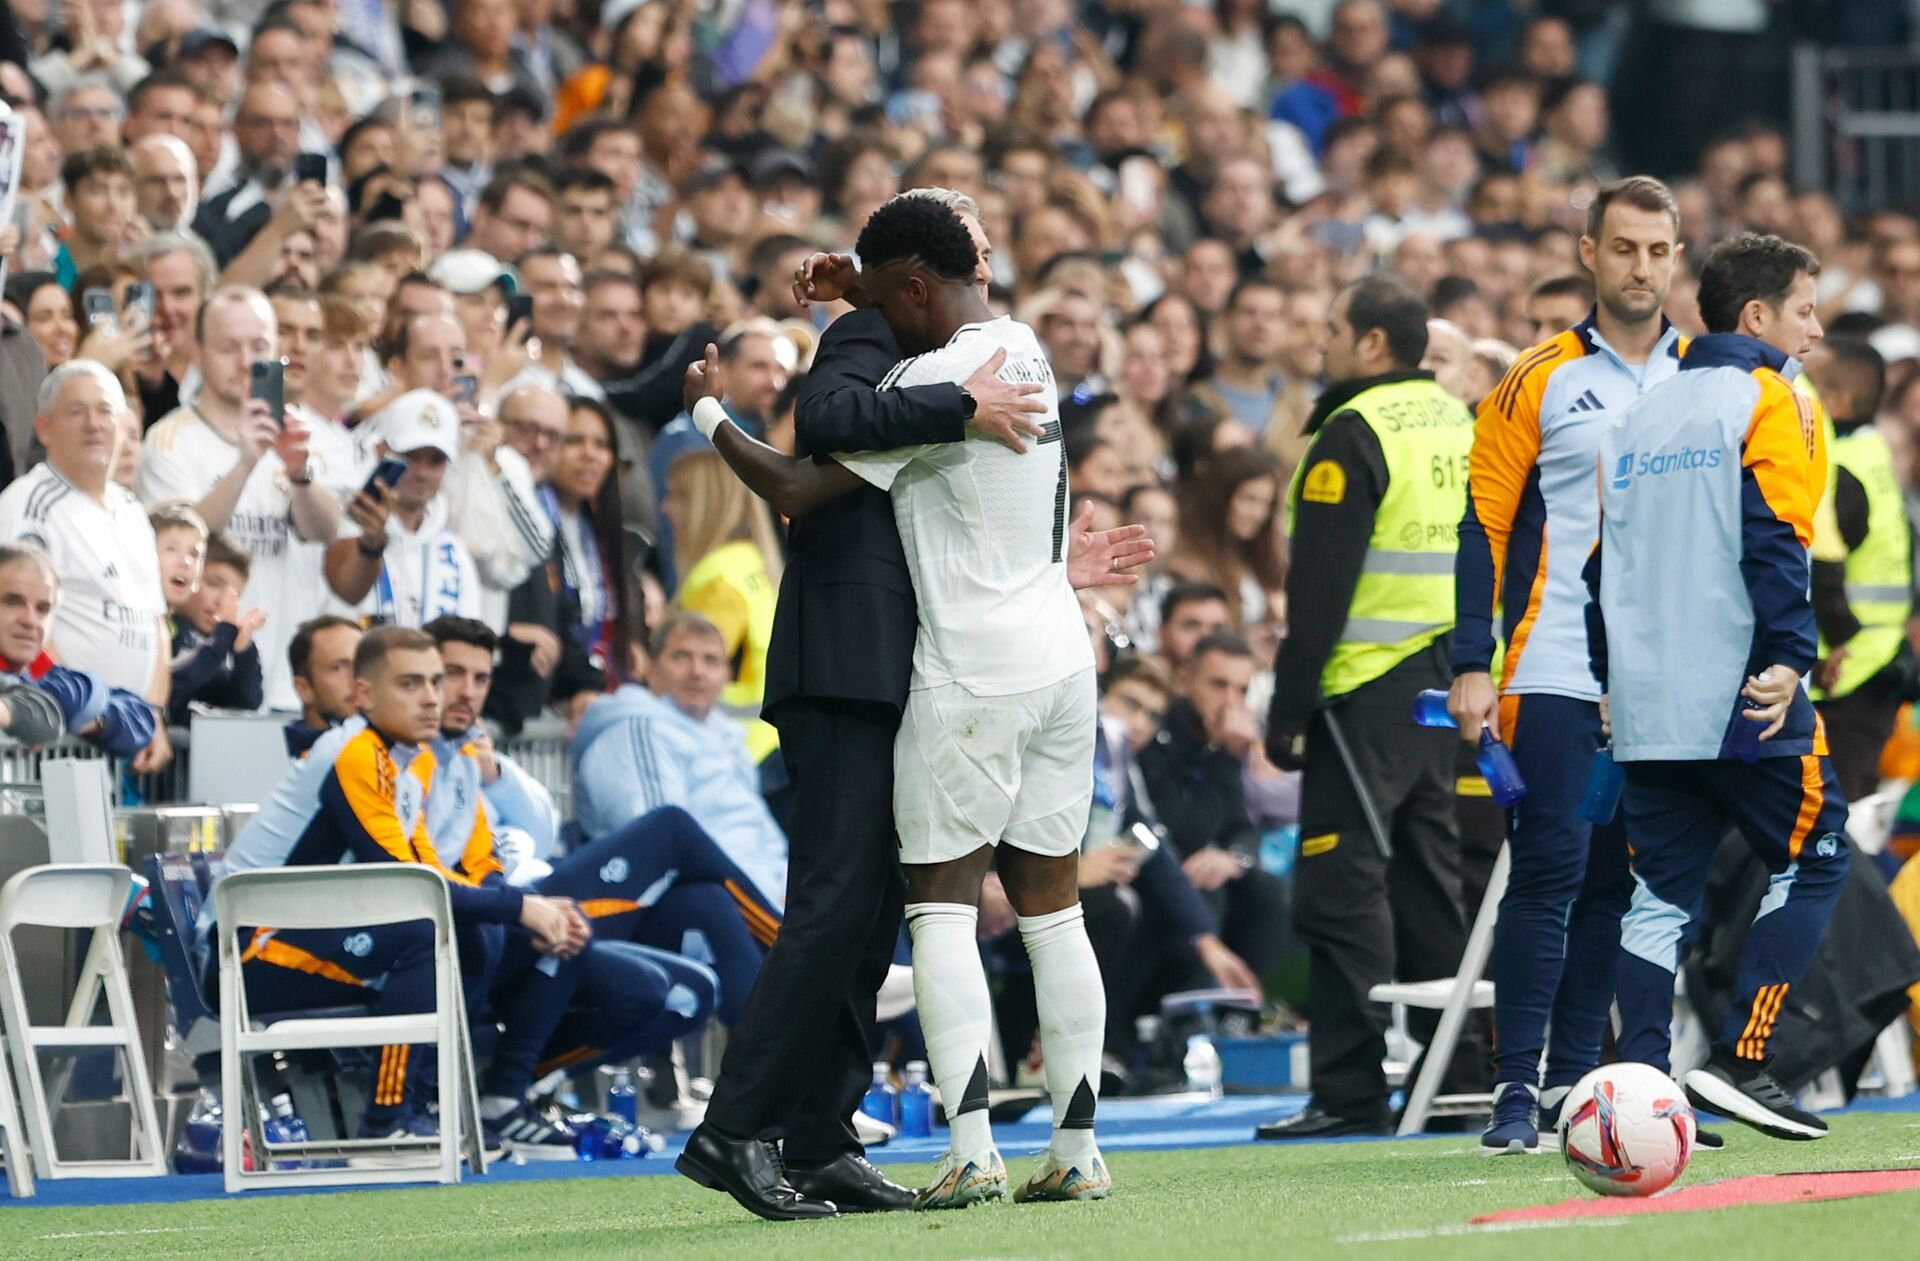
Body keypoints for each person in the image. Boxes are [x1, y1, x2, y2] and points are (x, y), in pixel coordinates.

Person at [686, 192, 1152, 1210]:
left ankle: (973, 1147)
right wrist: (861, 291)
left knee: (936, 910)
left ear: (910, 284)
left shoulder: (933, 372)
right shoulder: (1027, 346)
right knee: (1052, 908)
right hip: (1061, 655)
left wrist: (710, 413)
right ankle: (1075, 1149)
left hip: (971, 664)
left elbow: (811, 465)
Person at [1589, 232, 1851, 1142]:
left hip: (1649, 697)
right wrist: (1793, 655)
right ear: (1758, 316)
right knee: (1817, 853)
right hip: (1746, 690)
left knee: (1658, 897)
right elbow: (1778, 533)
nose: (1815, 332)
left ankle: (1643, 1092)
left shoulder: (1641, 412)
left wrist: (1606, 677)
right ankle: (1746, 1060)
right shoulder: (1769, 396)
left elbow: (1600, 564)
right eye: (1806, 310)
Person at [1447, 176, 1687, 1154]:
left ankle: (1589, 1090)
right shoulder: (1537, 375)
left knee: (1622, 886)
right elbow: (1484, 522)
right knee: (1548, 868)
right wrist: (1472, 658)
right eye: (1624, 247)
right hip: (1552, 664)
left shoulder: (1714, 379)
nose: (1641, 267)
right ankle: (1515, 1091)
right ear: (1589, 251)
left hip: (1671, 676)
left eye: (1658, 250)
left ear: (1676, 257)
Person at [211, 626, 592, 1149]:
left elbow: (433, 873)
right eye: (411, 684)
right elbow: (411, 887)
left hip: (300, 930)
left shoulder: (403, 764)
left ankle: (428, 1104)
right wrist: (522, 906)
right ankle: (387, 1124)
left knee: (467, 927)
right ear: (364, 695)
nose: (434, 698)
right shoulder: (353, 753)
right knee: (423, 931)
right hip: (245, 948)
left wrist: (519, 906)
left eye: (436, 681)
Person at [1256, 275, 1473, 1140]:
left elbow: (1319, 589)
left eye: (1336, 329)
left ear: (1374, 345)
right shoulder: (1457, 420)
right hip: (1444, 680)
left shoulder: (1354, 430)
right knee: (1429, 886)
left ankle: (1348, 1089)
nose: (1325, 344)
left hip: (1362, 685)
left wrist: (1288, 707)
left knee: (1340, 890)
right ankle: (1454, 1075)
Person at [425, 616, 770, 1044]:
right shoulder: (407, 757)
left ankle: (792, 1091)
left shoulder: (469, 752)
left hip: (534, 896)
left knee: (703, 920)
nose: (468, 691)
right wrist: (518, 905)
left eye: (480, 678)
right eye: (452, 674)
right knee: (673, 829)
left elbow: (540, 824)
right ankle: (806, 956)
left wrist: (494, 774)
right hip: (513, 914)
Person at [138, 287, 341, 709]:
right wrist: (246, 462)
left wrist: (300, 472)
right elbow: (178, 543)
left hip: (283, 679)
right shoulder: (169, 440)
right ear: (199, 352)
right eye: (229, 347)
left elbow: (325, 531)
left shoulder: (297, 433)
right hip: (202, 684)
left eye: (259, 347)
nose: (246, 362)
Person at [0, 362, 172, 759]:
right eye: (76, 411)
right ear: (44, 428)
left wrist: (153, 715)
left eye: (105, 411)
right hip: (58, 741)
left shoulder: (132, 510)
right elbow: (18, 626)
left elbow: (155, 623)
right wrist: (79, 709)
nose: (93, 423)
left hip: (125, 734)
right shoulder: (28, 505)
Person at [573, 612, 790, 909]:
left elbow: (762, 834)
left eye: (711, 661)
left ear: (727, 676)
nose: (697, 671)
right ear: (649, 667)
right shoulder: (636, 730)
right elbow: (661, 849)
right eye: (681, 657)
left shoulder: (730, 740)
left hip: (764, 895)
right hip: (707, 907)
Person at [1807, 337, 1912, 801]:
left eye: (1813, 384)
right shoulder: (1874, 457)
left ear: (1839, 401)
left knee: (1835, 816)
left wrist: (1837, 640)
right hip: (1877, 658)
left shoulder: (1843, 470)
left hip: (1846, 667)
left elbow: (1823, 565)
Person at [665, 447, 784, 763]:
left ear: (704, 505)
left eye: (676, 496)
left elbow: (688, 680)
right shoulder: (751, 563)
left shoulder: (718, 581)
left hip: (735, 755)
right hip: (766, 747)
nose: (665, 508)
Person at [322, 390, 481, 625]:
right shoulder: (343, 521)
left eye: (435, 460)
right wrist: (370, 545)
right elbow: (347, 591)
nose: (422, 471)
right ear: (381, 450)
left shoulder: (454, 553)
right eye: (411, 456)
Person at [0, 540, 155, 754]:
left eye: (43, 609)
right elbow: (64, 696)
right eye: (12, 602)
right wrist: (78, 704)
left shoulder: (46, 673)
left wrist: (95, 719)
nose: (30, 620)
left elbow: (142, 717)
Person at [1165, 446, 1286, 636]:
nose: (1259, 514)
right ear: (1222, 496)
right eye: (1249, 499)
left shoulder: (1257, 556)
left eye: (1266, 504)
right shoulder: (1189, 561)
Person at [164, 529, 265, 726]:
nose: (222, 603)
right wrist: (225, 632)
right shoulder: (165, 626)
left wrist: (243, 650)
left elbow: (246, 701)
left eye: (235, 595)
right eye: (213, 584)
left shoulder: (210, 645)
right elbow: (175, 685)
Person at [284, 614, 361, 755]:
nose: (357, 679)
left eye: (362, 664)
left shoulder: (395, 752)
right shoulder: (280, 762)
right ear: (304, 689)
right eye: (338, 667)